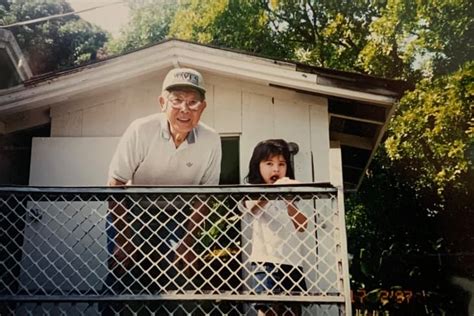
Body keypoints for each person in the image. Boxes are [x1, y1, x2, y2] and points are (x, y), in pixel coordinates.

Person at [103, 68, 221, 310]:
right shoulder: (141, 129)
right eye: (177, 101)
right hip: (132, 212)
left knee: (180, 277)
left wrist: (189, 241)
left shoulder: (211, 139)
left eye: (192, 102)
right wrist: (125, 239)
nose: (185, 109)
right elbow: (116, 182)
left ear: (203, 107)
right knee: (124, 274)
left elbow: (205, 195)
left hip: (179, 216)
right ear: (162, 102)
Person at [244, 139, 308, 316]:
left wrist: (288, 199)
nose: (276, 169)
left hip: (293, 261)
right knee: (267, 309)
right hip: (265, 261)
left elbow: (302, 226)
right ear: (258, 166)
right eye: (269, 163)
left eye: (281, 164)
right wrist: (273, 190)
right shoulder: (252, 189)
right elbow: (253, 208)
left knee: (293, 310)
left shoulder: (292, 195)